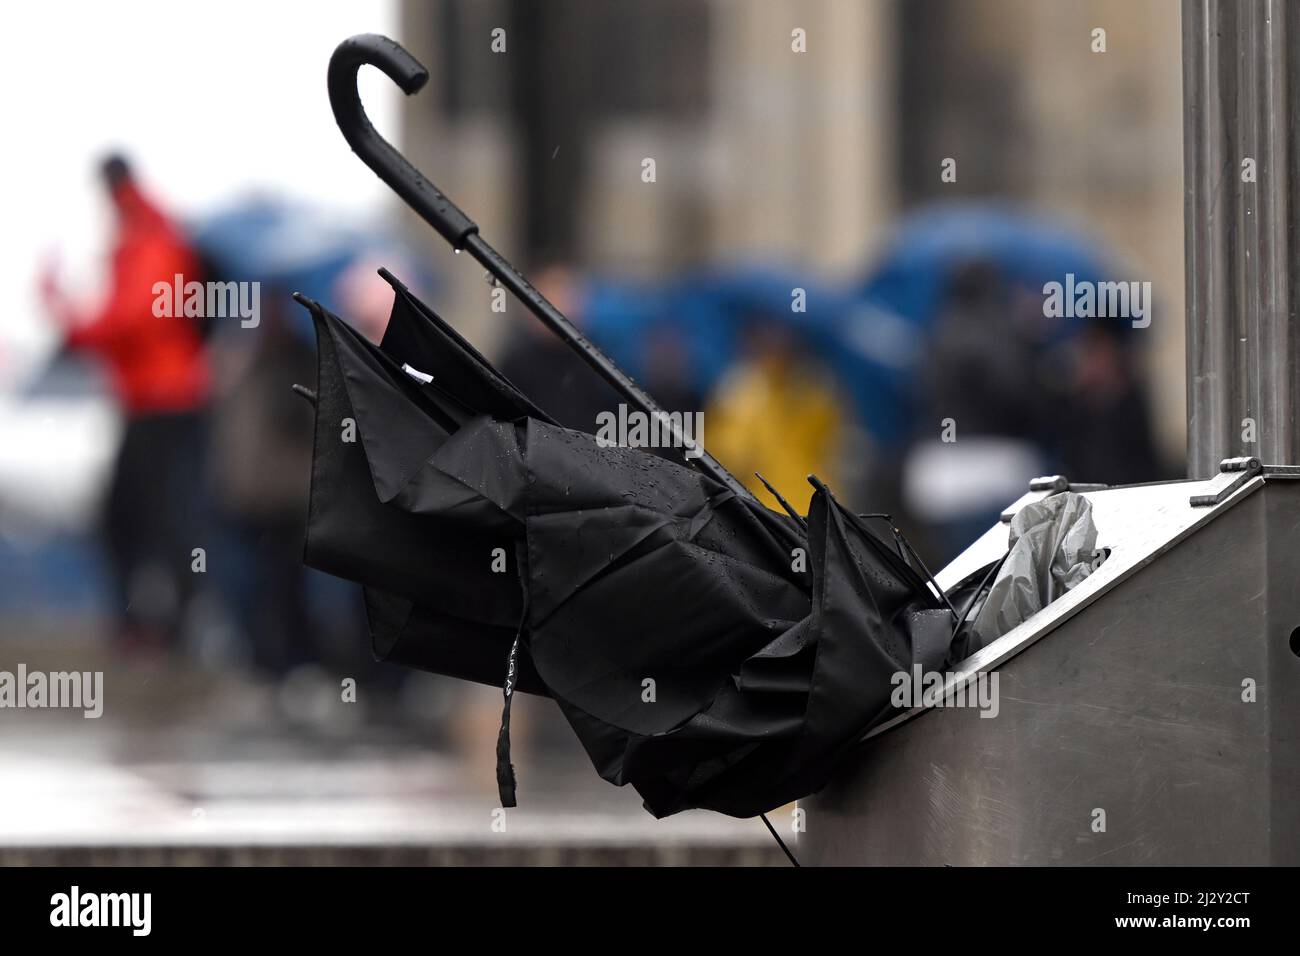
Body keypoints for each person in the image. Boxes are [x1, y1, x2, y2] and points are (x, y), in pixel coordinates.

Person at [41, 154, 211, 652]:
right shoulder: (142, 240)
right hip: (150, 403)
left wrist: (63, 311)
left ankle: (166, 629)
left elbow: (132, 320)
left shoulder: (152, 242)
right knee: (142, 518)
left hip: (166, 403)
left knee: (149, 518)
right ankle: (152, 626)